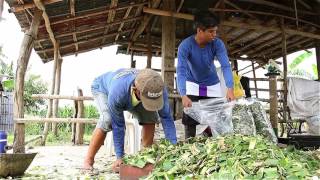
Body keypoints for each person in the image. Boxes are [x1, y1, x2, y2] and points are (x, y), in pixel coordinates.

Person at [83, 68, 177, 172]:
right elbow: (118, 125)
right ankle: (89, 159)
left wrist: (173, 149)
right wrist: (120, 157)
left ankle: (145, 156)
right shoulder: (118, 92)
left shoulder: (157, 87)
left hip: (134, 95)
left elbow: (166, 117)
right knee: (107, 119)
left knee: (150, 118)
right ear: (136, 89)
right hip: (103, 88)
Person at [176, 10, 235, 139]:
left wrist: (230, 88)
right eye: (211, 31)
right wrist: (183, 94)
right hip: (192, 84)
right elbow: (181, 70)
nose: (214, 34)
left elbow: (225, 65)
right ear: (199, 30)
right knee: (190, 119)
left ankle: (219, 147)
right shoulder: (185, 46)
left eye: (215, 31)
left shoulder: (217, 44)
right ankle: (188, 146)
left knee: (217, 120)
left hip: (212, 85)